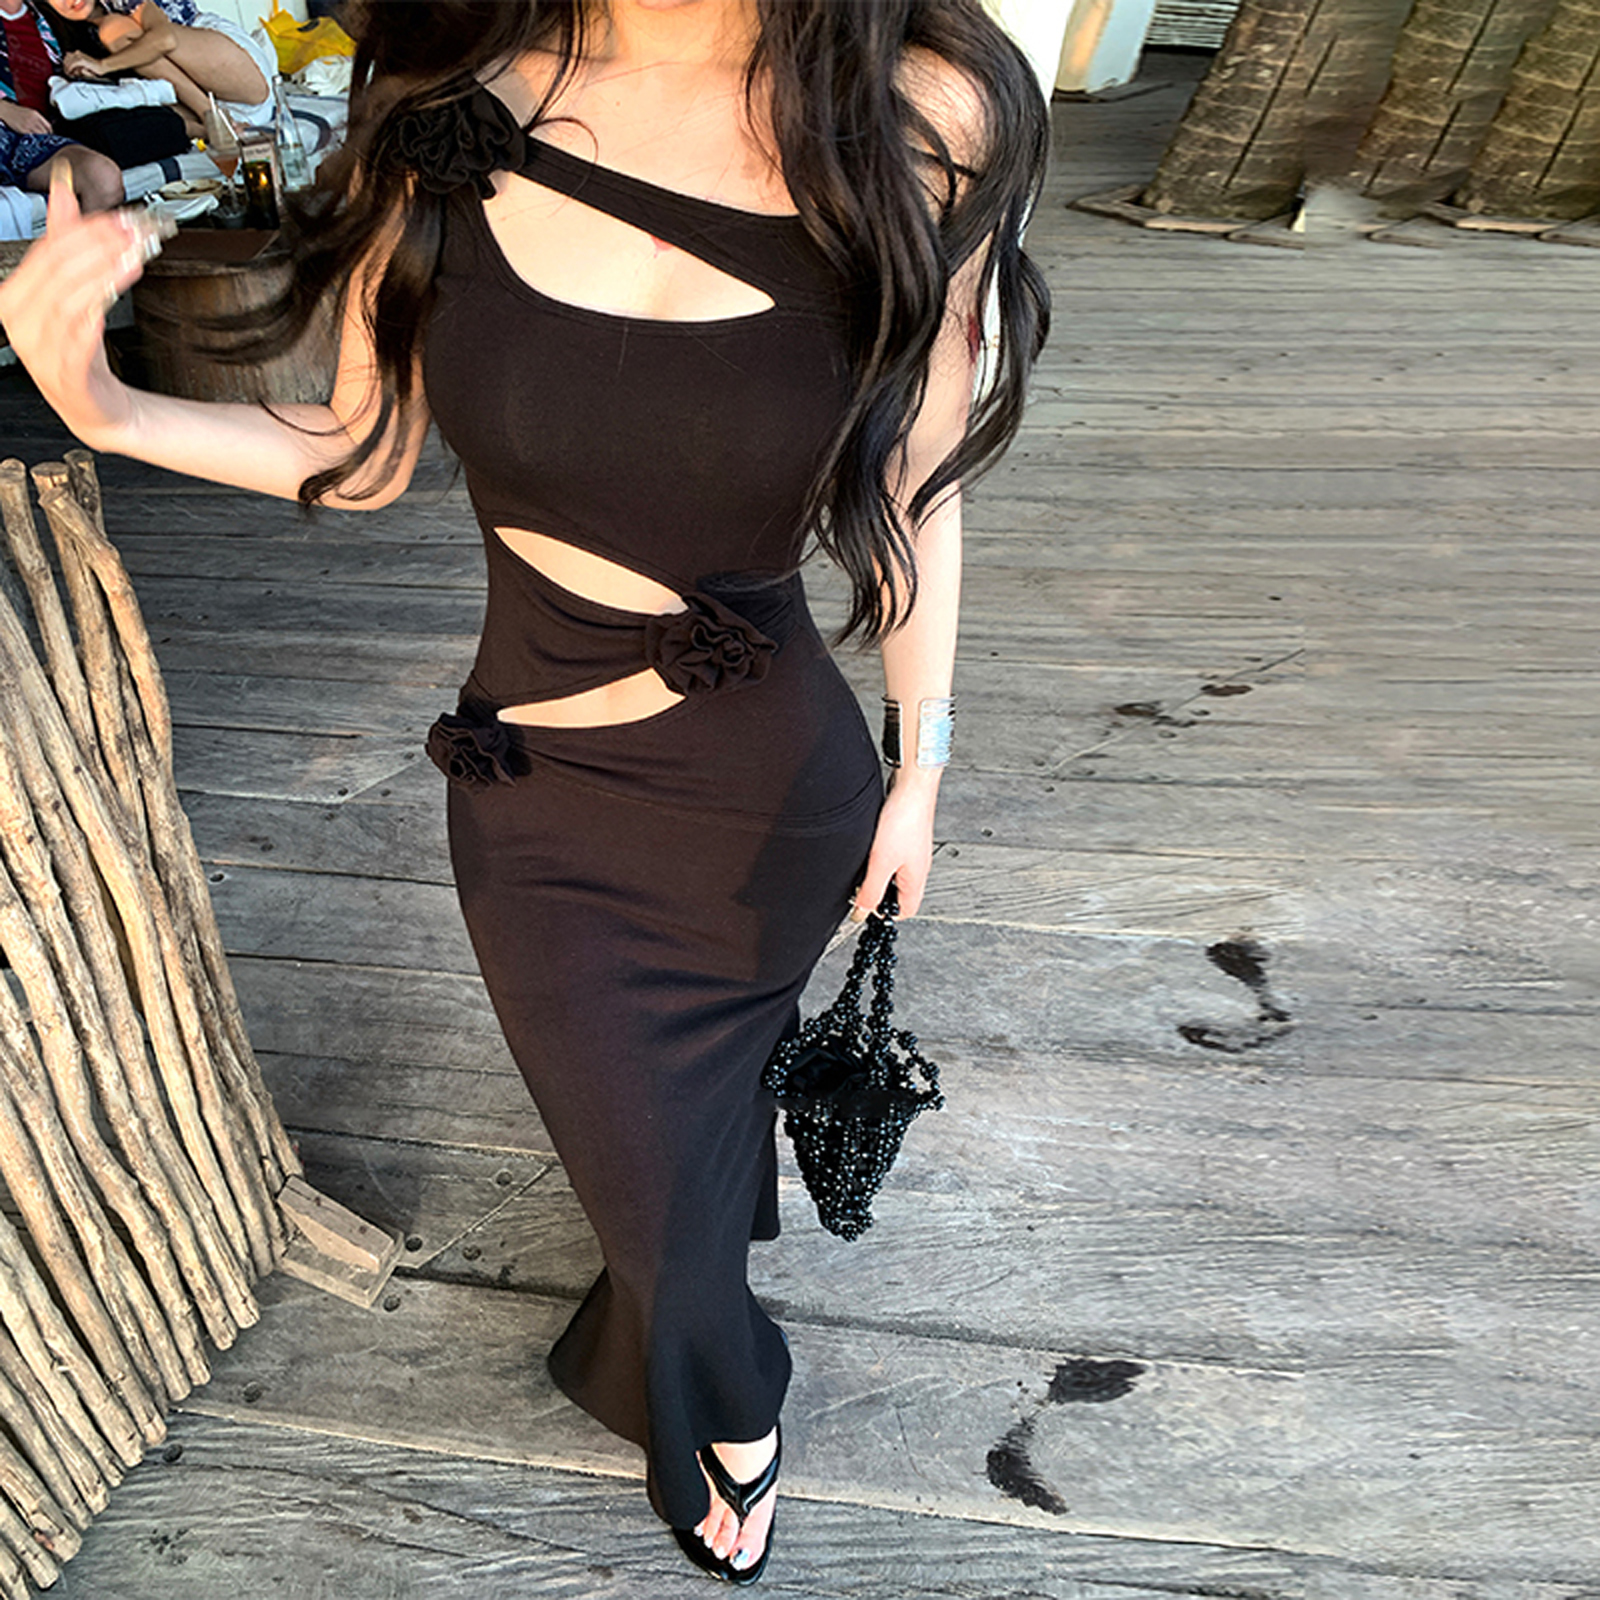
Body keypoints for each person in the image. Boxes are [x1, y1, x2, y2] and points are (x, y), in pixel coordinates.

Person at [0, 0, 1048, 1582]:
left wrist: (924, 767)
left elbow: (912, 490)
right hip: (532, 790)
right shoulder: (449, 95)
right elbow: (362, 450)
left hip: (772, 796)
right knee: (635, 1139)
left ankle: (714, 1375)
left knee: (687, 1119)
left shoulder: (925, 106)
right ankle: (715, 1348)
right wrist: (102, 407)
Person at [40, 0, 277, 134]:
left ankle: (212, 117)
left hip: (238, 75)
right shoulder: (72, 40)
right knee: (126, 105)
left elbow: (165, 40)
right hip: (215, 108)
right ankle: (213, 126)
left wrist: (103, 65)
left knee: (114, 29)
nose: (71, 0)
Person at [0, 0, 121, 209]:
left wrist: (82, 75)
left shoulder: (52, 14)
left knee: (103, 177)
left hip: (37, 138)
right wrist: (6, 110)